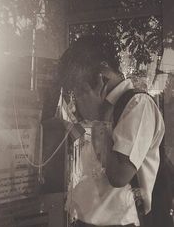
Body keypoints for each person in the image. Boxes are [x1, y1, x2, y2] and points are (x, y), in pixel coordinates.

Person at [58, 34, 165, 227]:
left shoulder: (138, 105)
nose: (78, 100)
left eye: (81, 89)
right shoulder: (101, 107)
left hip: (118, 222)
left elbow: (119, 175)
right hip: (81, 218)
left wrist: (100, 120)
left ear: (101, 76)